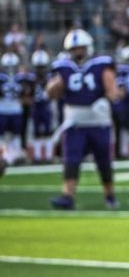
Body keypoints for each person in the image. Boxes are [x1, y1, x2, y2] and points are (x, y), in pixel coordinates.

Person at [44, 29, 119, 210]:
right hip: (75, 121)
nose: (78, 52)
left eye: (81, 48)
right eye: (75, 48)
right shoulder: (63, 67)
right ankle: (67, 196)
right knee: (71, 159)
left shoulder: (101, 64)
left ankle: (110, 195)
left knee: (103, 161)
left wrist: (105, 100)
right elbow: (52, 92)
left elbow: (113, 91)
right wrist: (54, 86)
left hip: (98, 120)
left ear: (88, 47)